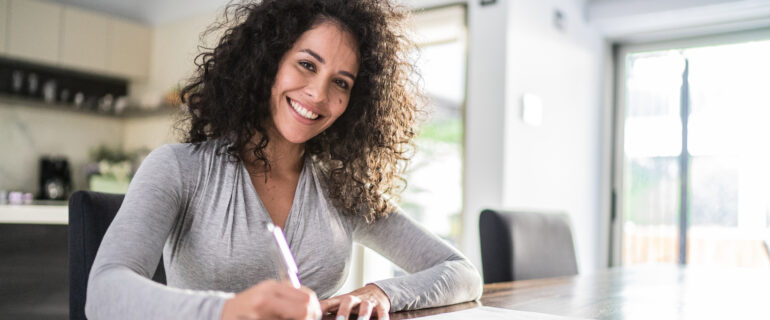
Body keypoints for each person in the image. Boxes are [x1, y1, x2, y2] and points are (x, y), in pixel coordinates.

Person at [85, 0, 483, 319]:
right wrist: (228, 310)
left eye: (340, 83)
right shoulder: (179, 169)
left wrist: (383, 293)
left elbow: (462, 273)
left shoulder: (342, 191)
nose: (318, 94)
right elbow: (103, 293)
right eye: (306, 64)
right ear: (268, 62)